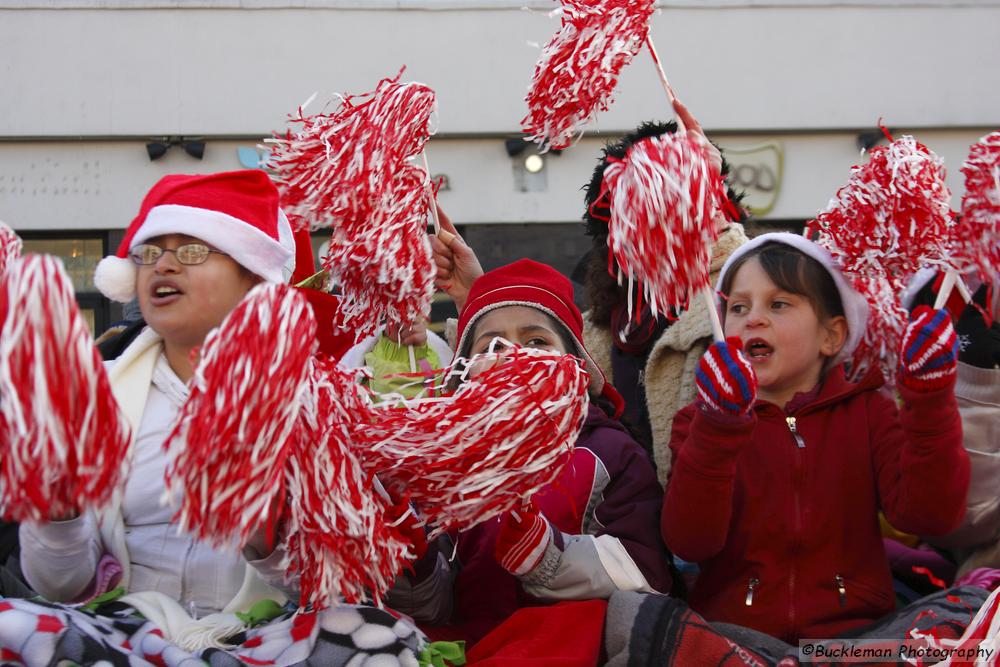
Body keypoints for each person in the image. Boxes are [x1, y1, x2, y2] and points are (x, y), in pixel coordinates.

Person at [9, 171, 422, 664]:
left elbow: (342, 583)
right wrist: (58, 513)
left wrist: (262, 534)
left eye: (191, 251)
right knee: (14, 625)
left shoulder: (321, 399)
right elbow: (62, 587)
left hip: (269, 636)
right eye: (148, 253)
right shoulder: (89, 393)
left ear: (253, 275)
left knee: (377, 635)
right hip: (126, 632)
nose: (162, 264)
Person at [660, 232, 970, 643]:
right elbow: (690, 541)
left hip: (858, 637)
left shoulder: (869, 412)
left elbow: (931, 517)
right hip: (735, 638)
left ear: (832, 336)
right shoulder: (699, 422)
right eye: (737, 307)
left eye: (779, 303)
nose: (752, 318)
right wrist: (717, 425)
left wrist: (930, 403)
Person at [442, 258, 674, 645]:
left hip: (577, 648)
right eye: (492, 345)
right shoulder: (447, 462)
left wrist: (548, 557)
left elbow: (650, 574)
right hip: (474, 648)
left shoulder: (609, 450)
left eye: (537, 341)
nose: (514, 355)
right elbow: (434, 603)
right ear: (465, 372)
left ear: (578, 365)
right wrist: (410, 561)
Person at [580, 100, 749, 482]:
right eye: (642, 210)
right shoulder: (598, 330)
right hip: (625, 529)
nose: (660, 227)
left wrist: (704, 190)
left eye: (675, 206)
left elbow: (752, 283)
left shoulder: (730, 299)